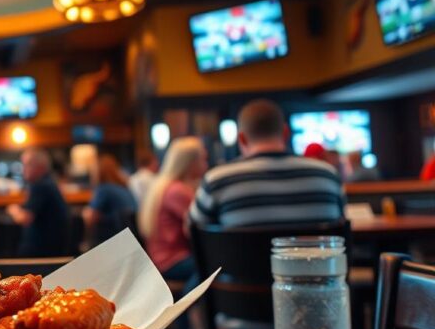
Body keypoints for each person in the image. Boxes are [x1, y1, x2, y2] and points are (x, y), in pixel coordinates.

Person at [190, 99, 345, 229]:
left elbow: (195, 230)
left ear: (242, 139)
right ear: (285, 133)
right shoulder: (328, 176)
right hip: (312, 266)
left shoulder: (217, 180)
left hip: (241, 266)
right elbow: (340, 224)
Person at [138, 137, 207, 289]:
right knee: (213, 266)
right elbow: (200, 229)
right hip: (173, 261)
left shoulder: (162, 185)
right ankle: (187, 308)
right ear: (191, 163)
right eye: (203, 159)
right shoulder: (178, 191)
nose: (206, 164)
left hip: (158, 259)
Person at [7, 148, 69, 257]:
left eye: (27, 165)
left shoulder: (41, 185)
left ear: (40, 167)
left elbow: (24, 218)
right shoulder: (48, 183)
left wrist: (13, 210)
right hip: (52, 248)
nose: (23, 170)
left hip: (43, 252)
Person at [83, 154, 137, 245]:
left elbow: (90, 218)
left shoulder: (104, 189)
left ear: (98, 172)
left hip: (112, 242)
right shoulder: (125, 189)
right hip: (130, 241)